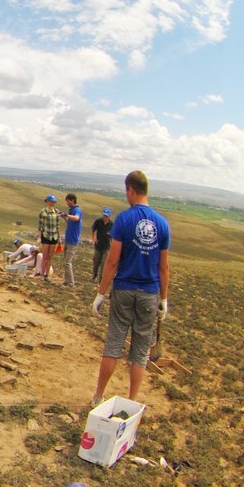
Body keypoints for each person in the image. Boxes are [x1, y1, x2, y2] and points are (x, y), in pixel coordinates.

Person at [91, 171, 170, 404]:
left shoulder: (125, 219)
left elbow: (113, 261)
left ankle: (98, 396)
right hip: (149, 293)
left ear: (131, 190)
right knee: (140, 351)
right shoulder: (162, 224)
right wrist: (163, 299)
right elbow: (164, 267)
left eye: (127, 191)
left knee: (113, 343)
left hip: (124, 289)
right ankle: (132, 400)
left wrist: (101, 293)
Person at [59, 193, 83, 287]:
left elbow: (76, 218)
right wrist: (64, 216)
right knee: (65, 261)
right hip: (68, 239)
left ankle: (71, 283)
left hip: (73, 240)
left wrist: (67, 215)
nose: (67, 203)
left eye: (68, 201)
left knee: (67, 262)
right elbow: (70, 222)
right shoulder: (71, 210)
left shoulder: (77, 210)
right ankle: (66, 281)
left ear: (72, 200)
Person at [35, 194, 61, 280]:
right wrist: (39, 237)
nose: (53, 203)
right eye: (51, 201)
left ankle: (47, 274)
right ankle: (42, 274)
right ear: (47, 202)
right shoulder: (43, 212)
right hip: (46, 236)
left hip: (54, 236)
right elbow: (41, 226)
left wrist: (59, 237)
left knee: (50, 257)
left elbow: (58, 226)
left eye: (54, 201)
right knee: (45, 256)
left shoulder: (56, 212)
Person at [90, 207, 113, 282]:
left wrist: (112, 245)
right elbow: (93, 230)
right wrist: (93, 238)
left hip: (106, 247)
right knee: (96, 262)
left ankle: (101, 279)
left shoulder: (112, 224)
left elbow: (113, 236)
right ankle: (94, 276)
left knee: (104, 264)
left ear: (109, 216)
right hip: (98, 246)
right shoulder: (98, 221)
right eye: (104, 215)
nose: (105, 217)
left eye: (106, 216)